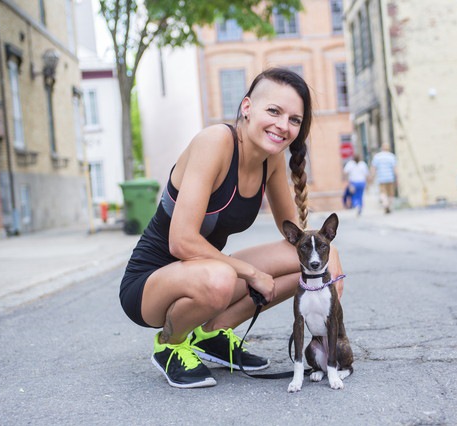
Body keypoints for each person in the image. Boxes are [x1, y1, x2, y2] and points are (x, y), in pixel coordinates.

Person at [119, 68, 345, 389]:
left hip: (206, 273)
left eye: (294, 119)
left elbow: (292, 236)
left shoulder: (271, 160)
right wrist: (251, 274)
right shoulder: (215, 142)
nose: (283, 125)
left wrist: (323, 270)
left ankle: (211, 335)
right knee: (222, 278)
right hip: (150, 283)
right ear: (247, 107)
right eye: (274, 111)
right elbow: (181, 241)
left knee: (321, 260)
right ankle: (170, 344)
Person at [370, 143, 397, 214]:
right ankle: (388, 205)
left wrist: (372, 177)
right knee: (390, 194)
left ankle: (385, 204)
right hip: (390, 178)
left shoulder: (377, 157)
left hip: (381, 178)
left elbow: (373, 168)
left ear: (382, 148)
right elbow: (395, 169)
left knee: (382, 193)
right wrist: (397, 177)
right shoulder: (392, 156)